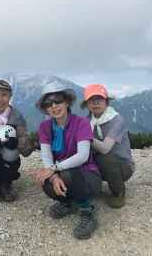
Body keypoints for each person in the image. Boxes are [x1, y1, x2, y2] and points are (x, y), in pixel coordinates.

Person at [32, 81, 101, 240]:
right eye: (49, 103)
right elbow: (46, 156)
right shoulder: (45, 127)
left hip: (87, 175)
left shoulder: (81, 123)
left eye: (58, 100)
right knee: (46, 182)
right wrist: (54, 176)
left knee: (68, 173)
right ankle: (68, 203)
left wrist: (55, 168)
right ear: (45, 108)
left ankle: (86, 210)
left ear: (67, 101)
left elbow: (82, 156)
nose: (54, 106)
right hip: (63, 172)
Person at [81, 84, 135, 208]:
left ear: (106, 102)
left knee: (105, 158)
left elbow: (105, 149)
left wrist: (85, 136)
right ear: (87, 104)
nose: (95, 103)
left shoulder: (117, 120)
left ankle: (118, 192)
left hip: (123, 166)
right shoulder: (86, 121)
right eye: (91, 100)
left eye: (99, 99)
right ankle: (91, 189)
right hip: (99, 163)